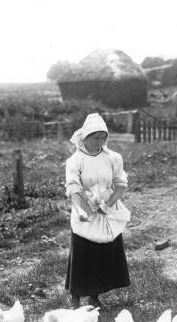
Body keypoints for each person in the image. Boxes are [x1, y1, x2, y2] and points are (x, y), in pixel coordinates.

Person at [64, 113, 131, 309]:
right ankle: (75, 300)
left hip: (106, 211)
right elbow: (74, 189)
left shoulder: (113, 158)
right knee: (83, 254)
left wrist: (108, 204)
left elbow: (120, 184)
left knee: (103, 253)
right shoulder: (75, 160)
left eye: (103, 138)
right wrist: (82, 210)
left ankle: (95, 296)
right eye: (95, 138)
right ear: (85, 137)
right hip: (85, 210)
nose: (99, 142)